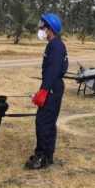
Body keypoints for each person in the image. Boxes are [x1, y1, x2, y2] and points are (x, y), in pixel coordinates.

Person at [25, 13, 68, 170]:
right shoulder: (54, 44)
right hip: (52, 86)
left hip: (52, 87)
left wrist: (44, 91)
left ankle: (42, 156)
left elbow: (53, 70)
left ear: (50, 29)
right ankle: (47, 154)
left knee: (43, 122)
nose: (40, 28)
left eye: (43, 26)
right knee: (48, 122)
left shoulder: (55, 46)